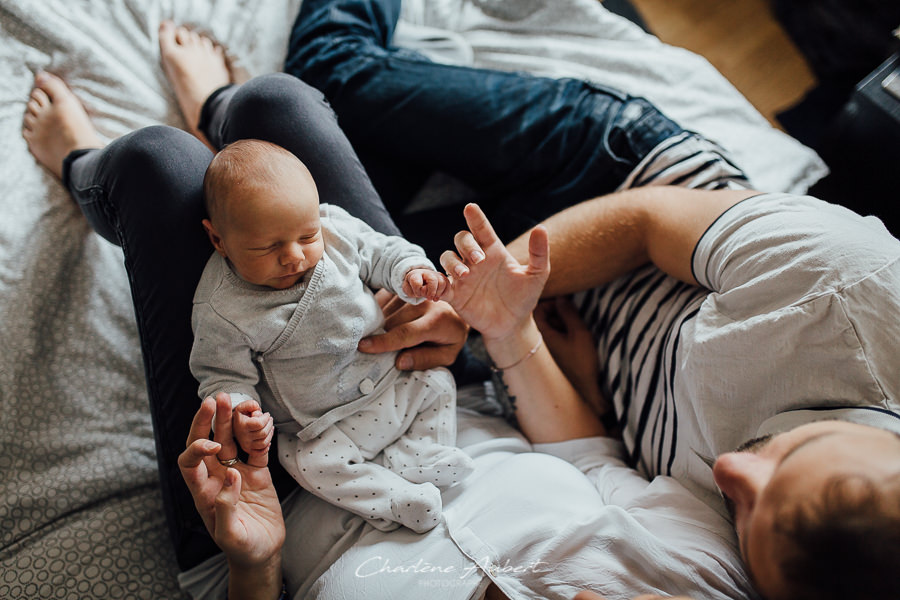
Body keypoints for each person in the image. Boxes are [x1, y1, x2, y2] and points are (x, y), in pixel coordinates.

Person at [20, 1, 900, 598]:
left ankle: (87, 163)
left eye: (751, 505)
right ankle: (222, 119)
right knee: (280, 101)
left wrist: (254, 562)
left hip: (276, 502)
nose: (727, 474)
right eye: (788, 458)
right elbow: (595, 461)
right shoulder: (706, 565)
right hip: (450, 388)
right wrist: (505, 331)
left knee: (155, 167)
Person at [190, 138, 472, 533]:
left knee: (437, 381)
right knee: (306, 463)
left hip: (391, 383)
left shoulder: (334, 229)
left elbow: (381, 252)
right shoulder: (222, 307)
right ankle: (392, 499)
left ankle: (422, 453)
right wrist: (241, 410)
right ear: (218, 239)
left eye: (306, 237)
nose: (293, 256)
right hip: (322, 428)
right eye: (268, 247)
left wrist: (411, 273)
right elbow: (221, 374)